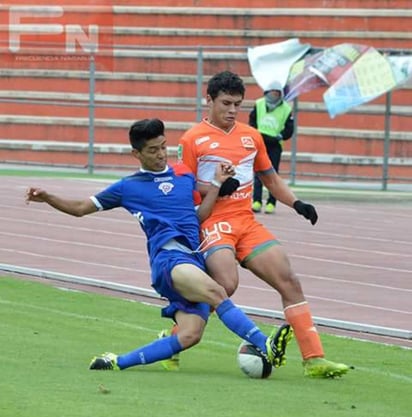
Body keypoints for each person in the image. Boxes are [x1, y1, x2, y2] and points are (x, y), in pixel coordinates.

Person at [25, 118, 289, 372]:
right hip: (169, 259)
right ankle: (264, 343)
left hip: (193, 259)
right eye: (153, 150)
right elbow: (81, 208)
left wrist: (218, 184)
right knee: (217, 292)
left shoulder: (183, 176)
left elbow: (197, 217)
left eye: (163, 146)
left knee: (189, 336)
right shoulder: (127, 187)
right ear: (136, 154)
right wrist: (48, 197)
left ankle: (116, 361)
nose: (161, 154)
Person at [163, 71, 350, 378]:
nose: (232, 110)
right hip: (214, 221)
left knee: (288, 279)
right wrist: (214, 189)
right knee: (226, 284)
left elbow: (271, 179)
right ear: (208, 100)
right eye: (226, 103)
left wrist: (297, 204)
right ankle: (175, 337)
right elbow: (185, 187)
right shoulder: (192, 138)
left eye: (237, 103)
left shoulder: (251, 137)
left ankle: (314, 359)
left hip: (247, 222)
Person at [250, 81, 294, 214]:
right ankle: (256, 201)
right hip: (260, 142)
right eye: (272, 91)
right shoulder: (259, 104)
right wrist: (254, 134)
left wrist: (281, 136)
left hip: (275, 145)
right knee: (258, 173)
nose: (275, 94)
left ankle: (271, 203)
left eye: (277, 91)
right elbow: (252, 121)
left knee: (272, 174)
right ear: (267, 92)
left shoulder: (286, 108)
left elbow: (289, 129)